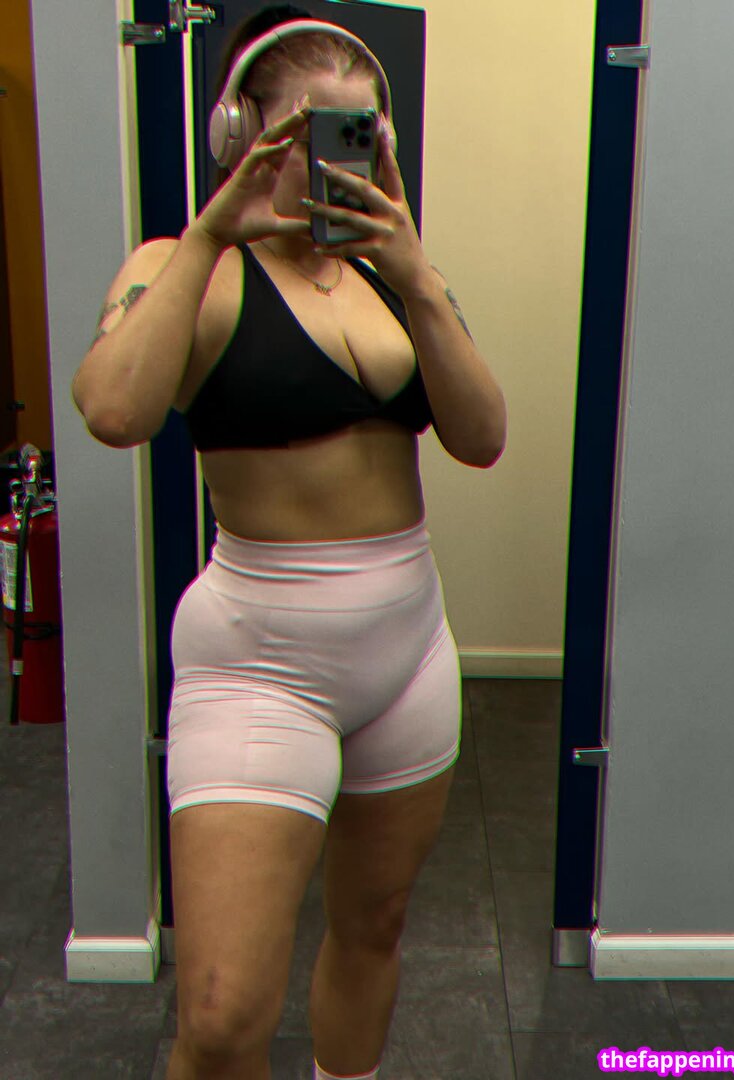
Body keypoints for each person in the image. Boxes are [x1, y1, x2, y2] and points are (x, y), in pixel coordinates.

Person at [71, 4, 507, 1078]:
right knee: (223, 1018)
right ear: (240, 134)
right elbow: (114, 409)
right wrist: (212, 232)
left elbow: (483, 437)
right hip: (257, 665)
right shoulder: (189, 266)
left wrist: (415, 271)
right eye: (307, 135)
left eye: (358, 136)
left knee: (375, 928)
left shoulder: (392, 275)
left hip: (408, 650)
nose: (332, 164)